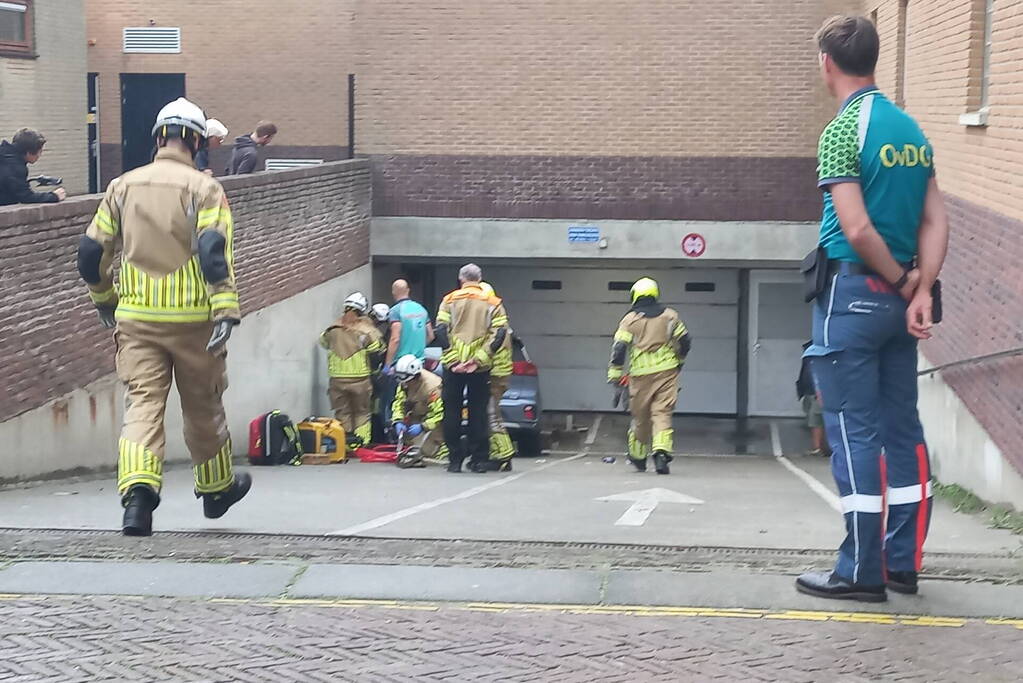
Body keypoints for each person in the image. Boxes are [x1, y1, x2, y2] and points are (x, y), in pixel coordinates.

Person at [796, 15, 949, 603]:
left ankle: (860, 572)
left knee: (853, 431)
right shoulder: (911, 131)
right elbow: (936, 220)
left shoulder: (842, 131)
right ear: (876, 58)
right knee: (901, 427)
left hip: (853, 296)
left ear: (827, 63)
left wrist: (897, 275)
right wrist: (920, 288)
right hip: (900, 302)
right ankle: (902, 563)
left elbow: (856, 228)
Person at [75, 97, 249, 537]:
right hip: (194, 321)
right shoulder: (206, 189)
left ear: (158, 138)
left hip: (135, 320)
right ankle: (215, 491)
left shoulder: (121, 186)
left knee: (143, 406)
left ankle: (137, 500)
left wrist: (103, 298)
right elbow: (213, 253)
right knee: (203, 405)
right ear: (196, 141)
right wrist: (225, 308)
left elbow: (92, 251)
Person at [607, 278, 691, 475]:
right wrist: (679, 360)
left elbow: (619, 348)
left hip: (640, 376)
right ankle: (661, 453)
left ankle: (638, 457)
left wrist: (615, 374)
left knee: (640, 417)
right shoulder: (671, 316)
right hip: (668, 372)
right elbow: (685, 341)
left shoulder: (629, 320)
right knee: (662, 412)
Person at [435, 263, 508, 473]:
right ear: (480, 279)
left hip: (453, 367)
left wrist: (453, 359)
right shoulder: (493, 302)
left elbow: (441, 330)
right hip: (479, 367)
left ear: (461, 279)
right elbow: (500, 334)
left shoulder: (449, 300)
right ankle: (478, 459)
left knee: (451, 412)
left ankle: (454, 460)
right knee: (478, 413)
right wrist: (478, 360)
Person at [320, 292, 385, 448]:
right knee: (362, 413)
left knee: (342, 413)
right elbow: (377, 350)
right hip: (360, 379)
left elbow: (323, 342)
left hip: (336, 379)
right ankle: (360, 445)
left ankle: (344, 445)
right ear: (362, 310)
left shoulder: (332, 329)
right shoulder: (366, 330)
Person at [383, 279, 434, 432]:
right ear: (408, 290)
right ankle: (412, 435)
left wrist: (387, 365)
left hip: (401, 366)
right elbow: (430, 335)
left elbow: (395, 338)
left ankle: (393, 436)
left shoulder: (396, 311)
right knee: (415, 403)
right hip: (419, 365)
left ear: (393, 292)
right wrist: (417, 347)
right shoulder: (421, 309)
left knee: (395, 402)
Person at [479, 282, 515, 471]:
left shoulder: (494, 323)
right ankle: (500, 454)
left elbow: (491, 348)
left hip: (494, 375)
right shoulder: (500, 320)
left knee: (491, 415)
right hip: (498, 375)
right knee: (492, 415)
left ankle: (503, 455)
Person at [391, 354, 449, 469]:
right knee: (410, 445)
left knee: (425, 451)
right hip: (418, 415)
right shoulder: (405, 381)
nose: (405, 384)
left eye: (408, 381)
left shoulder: (432, 387)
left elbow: (440, 414)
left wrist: (423, 426)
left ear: (416, 376)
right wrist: (398, 420)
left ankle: (443, 446)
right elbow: (399, 402)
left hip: (434, 422)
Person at [0, 128, 67, 206]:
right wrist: (54, 196)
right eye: (40, 151)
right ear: (29, 152)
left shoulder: (5, 158)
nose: (39, 155)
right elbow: (26, 197)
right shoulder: (15, 167)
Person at [796, 341, 828, 457]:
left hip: (817, 391)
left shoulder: (815, 353)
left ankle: (818, 448)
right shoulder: (810, 352)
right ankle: (819, 447)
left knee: (816, 419)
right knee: (813, 419)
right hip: (810, 390)